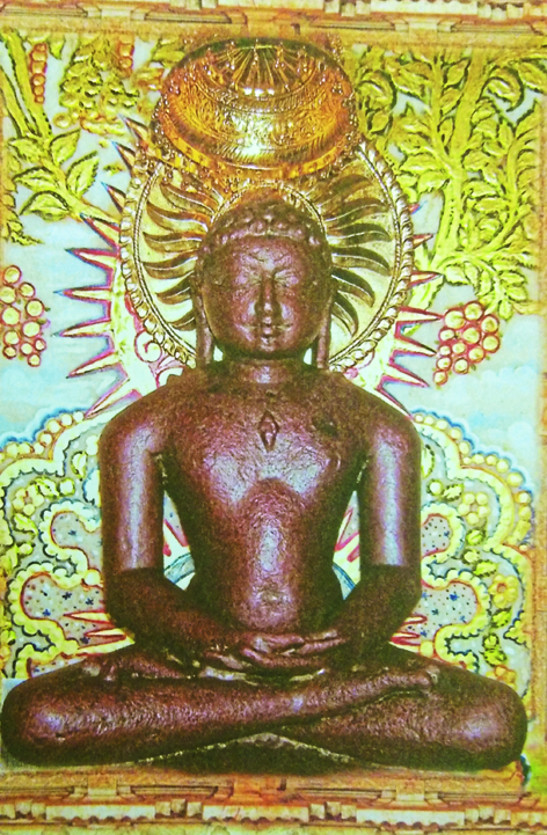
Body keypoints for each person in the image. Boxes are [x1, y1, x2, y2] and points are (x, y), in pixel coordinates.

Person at [1, 191, 526, 768]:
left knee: (492, 721)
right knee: (36, 718)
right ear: (203, 297)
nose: (268, 307)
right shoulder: (146, 426)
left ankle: (242, 712)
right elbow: (131, 582)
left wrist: (348, 639)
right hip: (201, 661)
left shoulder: (378, 426)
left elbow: (394, 575)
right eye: (242, 284)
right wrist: (205, 639)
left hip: (327, 657)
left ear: (325, 299)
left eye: (292, 284)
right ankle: (306, 708)